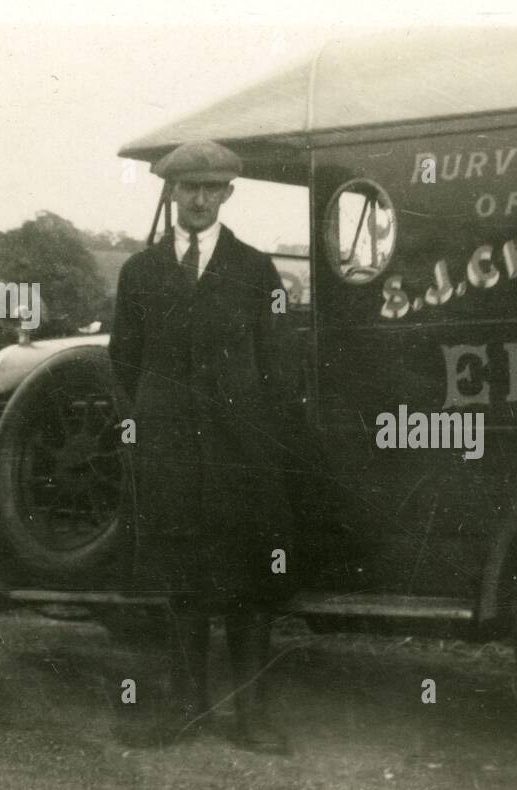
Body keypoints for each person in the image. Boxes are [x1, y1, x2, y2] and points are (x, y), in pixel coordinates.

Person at [108, 139, 296, 754]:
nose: (198, 199)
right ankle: (183, 711)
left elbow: (277, 365)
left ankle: (254, 718)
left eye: (210, 189)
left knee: (248, 587)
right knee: (184, 585)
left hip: (241, 456)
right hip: (172, 457)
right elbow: (124, 362)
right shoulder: (140, 273)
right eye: (188, 188)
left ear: (227, 195)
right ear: (173, 193)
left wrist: (262, 440)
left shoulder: (256, 271)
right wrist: (152, 427)